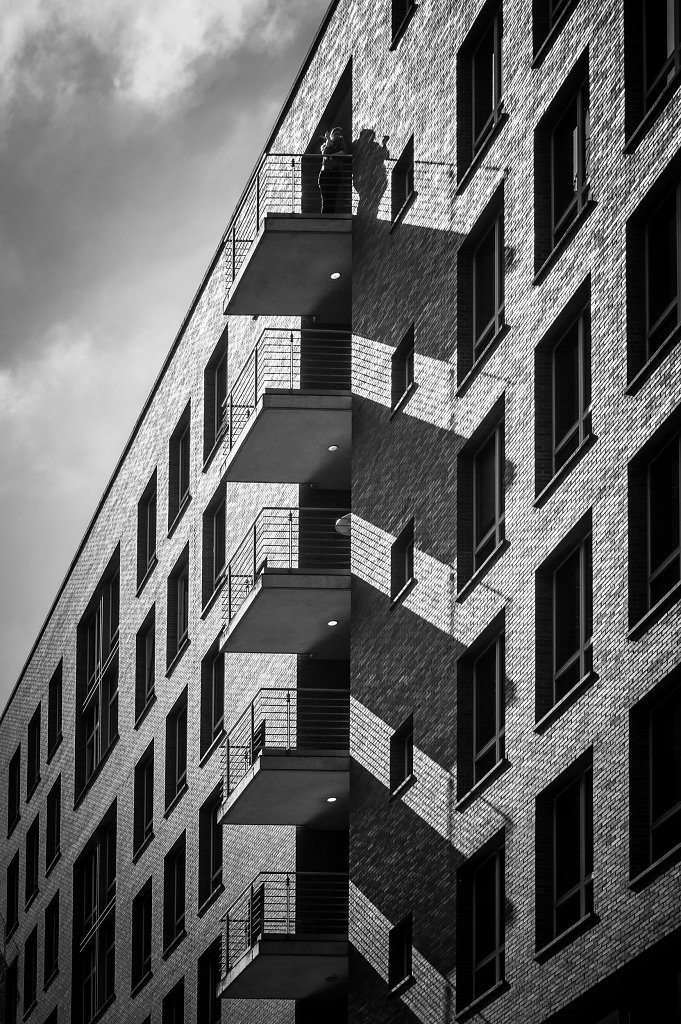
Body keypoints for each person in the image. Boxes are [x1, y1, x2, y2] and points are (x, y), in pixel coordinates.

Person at [318, 127, 348, 213]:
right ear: (331, 135)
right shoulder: (324, 145)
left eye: (339, 134)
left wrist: (331, 156)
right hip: (325, 173)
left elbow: (343, 153)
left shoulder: (341, 144)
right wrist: (328, 140)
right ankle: (324, 216)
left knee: (333, 196)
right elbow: (325, 154)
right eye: (335, 134)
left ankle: (330, 216)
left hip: (335, 172)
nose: (338, 136)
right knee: (325, 197)